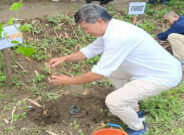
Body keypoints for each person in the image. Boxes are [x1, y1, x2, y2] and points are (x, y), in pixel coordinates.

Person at [49, 4, 182, 135]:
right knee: (114, 73)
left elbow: (99, 74)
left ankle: (138, 127)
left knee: (113, 101)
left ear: (99, 21)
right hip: (151, 69)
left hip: (162, 76)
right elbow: (91, 50)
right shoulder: (111, 28)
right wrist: (64, 58)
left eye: (86, 28)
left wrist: (68, 81)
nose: (86, 32)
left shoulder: (118, 36)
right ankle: (134, 109)